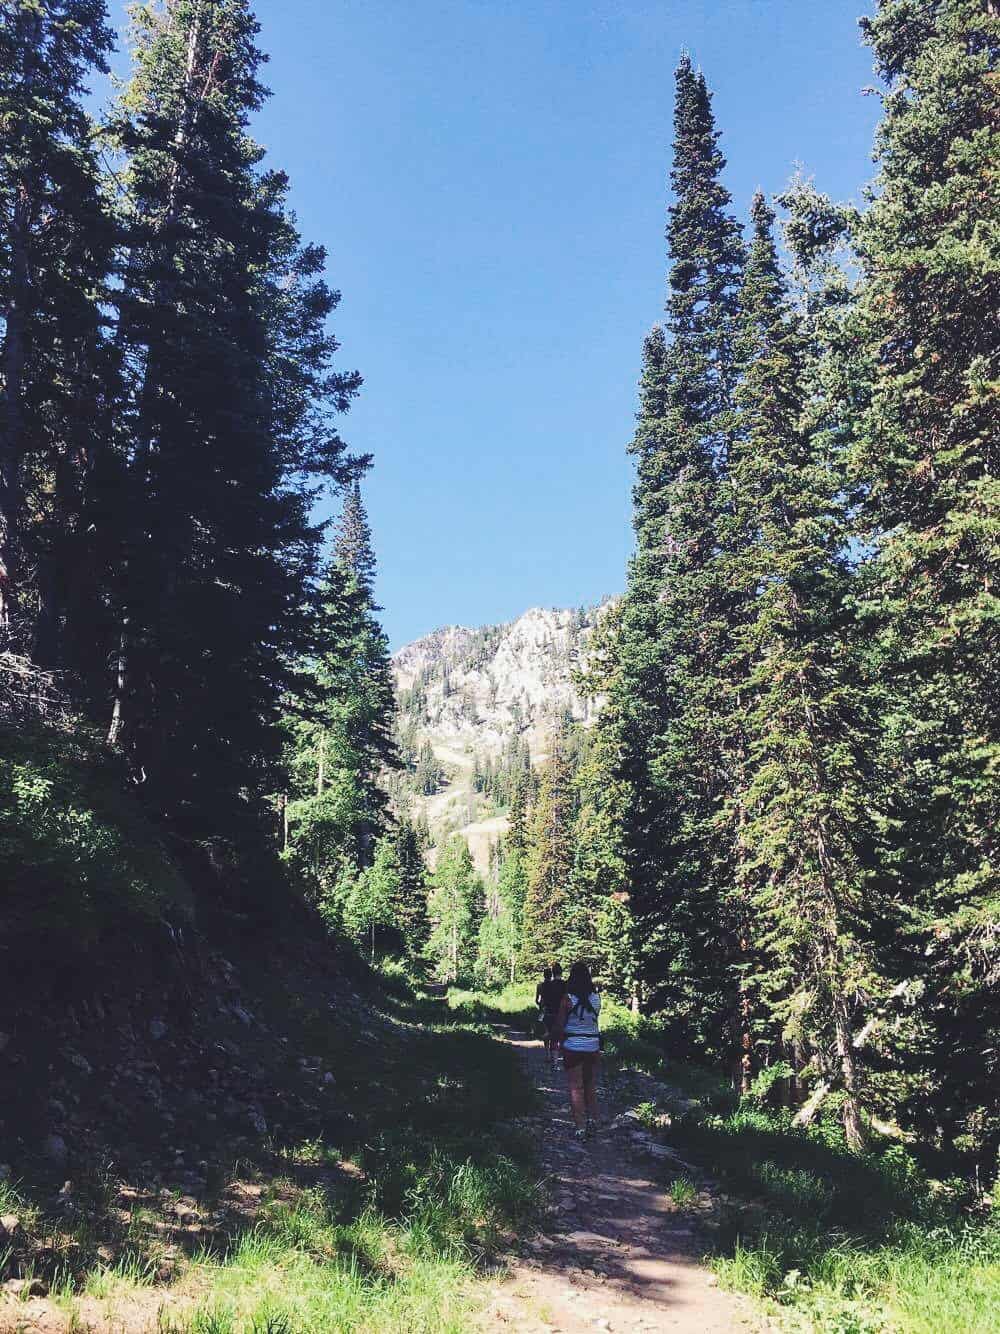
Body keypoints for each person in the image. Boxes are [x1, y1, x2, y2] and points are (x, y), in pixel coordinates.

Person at [553, 961, 601, 1139]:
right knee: (589, 1084)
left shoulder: (567, 999)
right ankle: (593, 1120)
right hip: (593, 1046)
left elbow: (559, 1025)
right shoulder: (596, 999)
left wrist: (554, 1037)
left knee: (576, 1087)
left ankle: (580, 1127)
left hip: (573, 1046)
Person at [535, 963, 566, 1065]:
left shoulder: (544, 986)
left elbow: (540, 1000)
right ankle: (560, 1057)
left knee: (548, 1033)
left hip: (547, 1012)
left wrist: (542, 1007)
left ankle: (550, 1056)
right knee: (560, 1035)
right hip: (561, 1013)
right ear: (561, 972)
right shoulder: (565, 984)